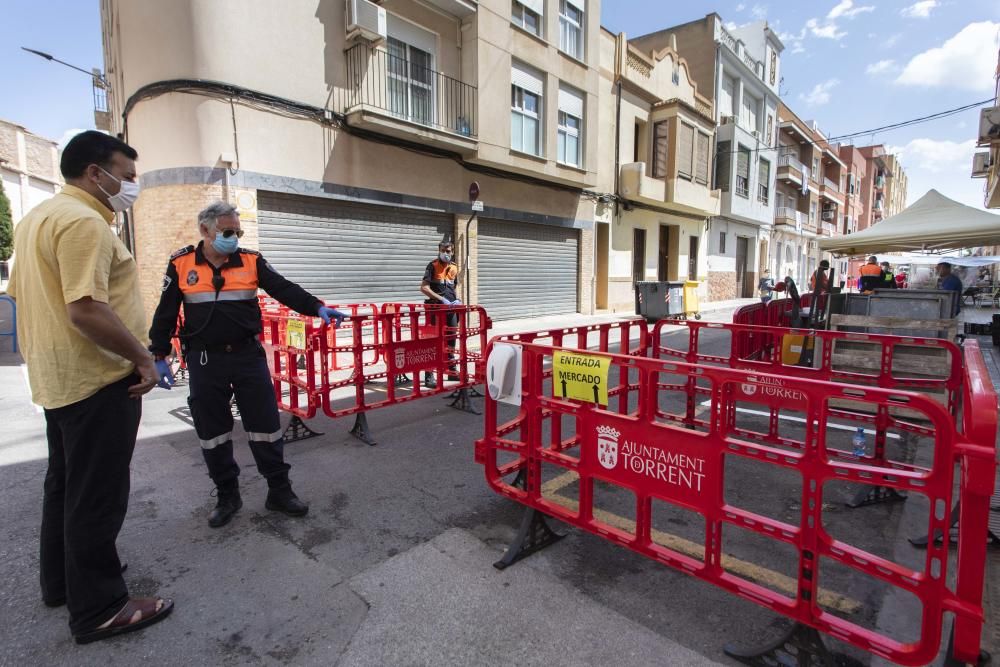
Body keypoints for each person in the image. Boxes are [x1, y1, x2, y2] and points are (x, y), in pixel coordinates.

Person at [6, 131, 173, 643]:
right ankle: (101, 607)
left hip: (58, 380)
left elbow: (24, 298)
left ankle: (61, 585)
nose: (130, 187)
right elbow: (85, 308)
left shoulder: (37, 219)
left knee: (64, 488)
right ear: (93, 172)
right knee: (96, 497)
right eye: (125, 176)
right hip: (97, 379)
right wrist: (143, 358)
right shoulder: (84, 224)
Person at [148, 201, 345, 528]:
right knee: (213, 431)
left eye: (237, 232)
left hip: (246, 356)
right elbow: (165, 311)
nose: (234, 238)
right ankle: (227, 495)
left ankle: (279, 491)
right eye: (227, 232)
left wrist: (316, 307)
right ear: (205, 230)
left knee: (265, 425)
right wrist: (158, 353)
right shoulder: (181, 263)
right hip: (205, 358)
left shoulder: (251, 260)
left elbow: (283, 289)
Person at [419, 240, 461, 389]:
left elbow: (453, 286)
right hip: (435, 309)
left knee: (451, 339)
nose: (446, 253)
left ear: (452, 251)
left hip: (450, 309)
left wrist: (456, 299)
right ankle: (429, 375)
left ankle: (450, 369)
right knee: (433, 341)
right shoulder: (432, 266)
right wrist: (441, 299)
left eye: (449, 251)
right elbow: (424, 288)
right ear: (439, 250)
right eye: (444, 250)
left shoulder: (454, 267)